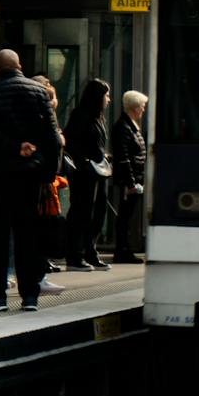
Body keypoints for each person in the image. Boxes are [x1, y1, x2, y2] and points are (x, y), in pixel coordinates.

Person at [0, 50, 61, 311]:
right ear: (19, 66)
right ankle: (30, 297)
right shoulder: (39, 92)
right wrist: (48, 174)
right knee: (28, 234)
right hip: (30, 175)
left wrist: (12, 147)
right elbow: (53, 136)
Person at [63, 79, 112, 272]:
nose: (108, 99)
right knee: (82, 212)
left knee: (98, 212)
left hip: (98, 171)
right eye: (106, 95)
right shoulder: (81, 116)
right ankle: (75, 255)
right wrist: (84, 160)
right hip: (84, 173)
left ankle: (90, 251)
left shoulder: (98, 117)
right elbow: (70, 141)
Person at [33, 75, 66, 296]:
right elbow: (53, 143)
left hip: (40, 176)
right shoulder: (44, 115)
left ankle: (37, 275)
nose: (53, 101)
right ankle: (37, 278)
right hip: (42, 178)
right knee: (38, 229)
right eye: (50, 97)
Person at [110, 90, 148, 264]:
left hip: (133, 178)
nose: (143, 110)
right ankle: (122, 250)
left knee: (128, 215)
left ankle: (124, 249)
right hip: (129, 180)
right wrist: (131, 182)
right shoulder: (124, 128)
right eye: (142, 106)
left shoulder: (129, 126)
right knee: (125, 216)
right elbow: (124, 157)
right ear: (134, 107)